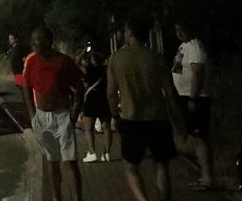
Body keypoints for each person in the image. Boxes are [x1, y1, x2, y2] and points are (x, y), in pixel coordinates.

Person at [107, 17, 181, 201]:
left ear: (130, 33)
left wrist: (114, 116)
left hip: (131, 117)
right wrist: (178, 121)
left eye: (125, 30)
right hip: (158, 117)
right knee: (162, 164)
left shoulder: (117, 59)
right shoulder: (157, 57)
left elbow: (111, 93)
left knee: (131, 166)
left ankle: (143, 199)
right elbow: (170, 92)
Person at [22, 27, 84, 201]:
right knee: (52, 161)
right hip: (42, 116)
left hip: (62, 115)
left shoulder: (63, 61)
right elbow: (26, 86)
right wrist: (32, 115)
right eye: (33, 40)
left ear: (48, 41)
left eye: (38, 40)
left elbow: (79, 89)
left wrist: (72, 117)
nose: (35, 43)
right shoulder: (32, 61)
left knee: (70, 162)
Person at [172, 21, 214, 191]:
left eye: (182, 29)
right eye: (177, 29)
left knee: (199, 139)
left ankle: (207, 177)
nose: (179, 33)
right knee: (192, 137)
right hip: (185, 96)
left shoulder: (195, 47)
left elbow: (198, 73)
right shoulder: (184, 46)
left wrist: (193, 98)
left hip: (196, 98)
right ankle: (203, 174)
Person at [77, 43, 114, 163]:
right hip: (104, 100)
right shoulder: (106, 69)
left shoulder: (88, 69)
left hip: (91, 101)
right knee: (107, 128)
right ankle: (107, 153)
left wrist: (84, 51)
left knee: (88, 129)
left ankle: (92, 152)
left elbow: (77, 62)